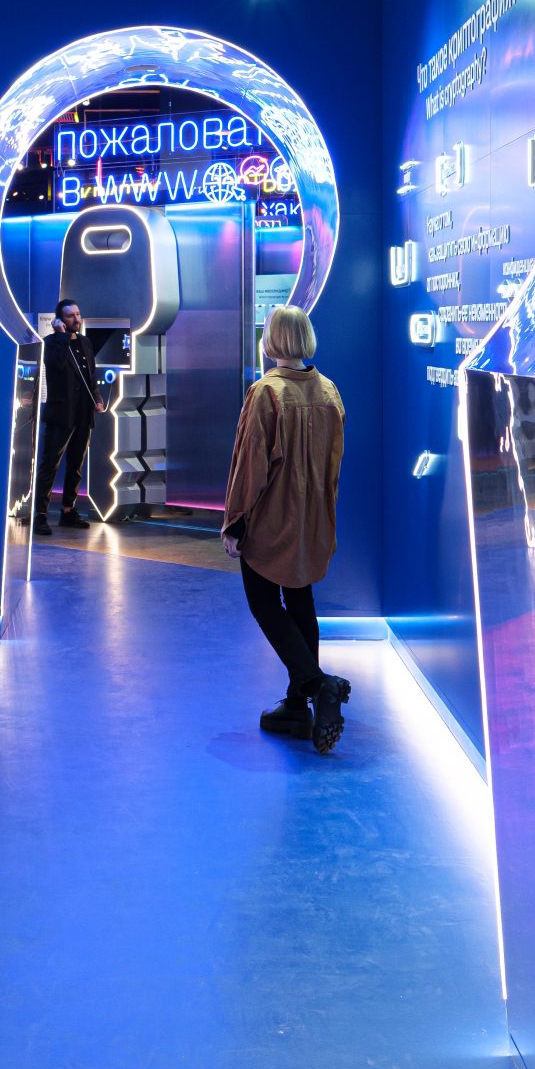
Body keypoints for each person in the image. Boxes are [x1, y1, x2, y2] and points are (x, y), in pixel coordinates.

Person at [222, 304, 349, 754]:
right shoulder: (329, 391)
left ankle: (316, 685)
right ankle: (298, 706)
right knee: (300, 600)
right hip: (313, 516)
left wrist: (235, 521)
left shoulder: (266, 393)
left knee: (264, 602)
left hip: (272, 517)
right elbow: (334, 464)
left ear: (271, 339)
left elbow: (250, 464)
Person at [34, 297, 104, 530]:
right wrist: (61, 336)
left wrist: (97, 398)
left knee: (76, 464)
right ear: (60, 320)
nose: (76, 319)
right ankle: (40, 514)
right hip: (61, 413)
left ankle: (68, 510)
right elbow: (57, 365)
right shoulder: (50, 343)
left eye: (78, 314)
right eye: (70, 316)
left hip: (83, 412)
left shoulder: (85, 342)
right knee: (50, 464)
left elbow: (91, 375)